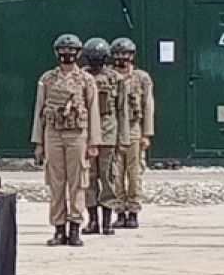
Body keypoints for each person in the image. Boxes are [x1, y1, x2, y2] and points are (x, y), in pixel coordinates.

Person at [32, 34, 102, 247]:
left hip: (77, 134)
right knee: (56, 183)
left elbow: (93, 111)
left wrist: (93, 142)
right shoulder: (47, 79)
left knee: (78, 183)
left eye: (71, 51)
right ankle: (59, 228)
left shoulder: (86, 80)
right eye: (63, 50)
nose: (67, 55)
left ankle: (75, 227)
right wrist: (39, 143)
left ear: (79, 53)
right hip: (53, 134)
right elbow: (39, 111)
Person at [82, 37, 128, 235]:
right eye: (93, 58)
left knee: (108, 176)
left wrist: (123, 139)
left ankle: (108, 220)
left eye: (99, 58)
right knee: (88, 178)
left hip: (109, 132)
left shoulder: (115, 79)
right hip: (85, 133)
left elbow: (122, 110)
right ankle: (92, 220)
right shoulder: (82, 77)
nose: (95, 62)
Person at [110, 37, 154, 229]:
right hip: (113, 131)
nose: (122, 57)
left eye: (125, 54)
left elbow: (148, 105)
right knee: (115, 174)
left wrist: (147, 133)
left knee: (135, 173)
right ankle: (119, 211)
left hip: (134, 129)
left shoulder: (141, 78)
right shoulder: (109, 77)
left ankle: (134, 210)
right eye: (118, 54)